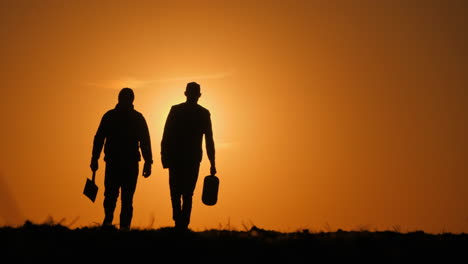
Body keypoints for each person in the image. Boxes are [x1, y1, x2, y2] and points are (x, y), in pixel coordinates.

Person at [90, 87, 153, 231]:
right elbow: (99, 138)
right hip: (119, 163)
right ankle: (113, 224)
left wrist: (148, 161)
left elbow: (145, 141)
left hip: (121, 163)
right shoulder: (130, 117)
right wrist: (94, 158)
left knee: (121, 197)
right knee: (117, 196)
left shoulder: (112, 116)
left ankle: (120, 226)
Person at [161, 82, 217, 230]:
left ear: (186, 93)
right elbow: (209, 140)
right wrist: (212, 162)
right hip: (185, 159)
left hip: (180, 158)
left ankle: (180, 222)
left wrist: (164, 157)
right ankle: (182, 222)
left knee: (178, 192)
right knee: (185, 193)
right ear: (198, 95)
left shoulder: (179, 111)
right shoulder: (201, 113)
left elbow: (166, 136)